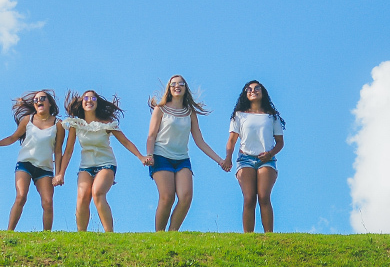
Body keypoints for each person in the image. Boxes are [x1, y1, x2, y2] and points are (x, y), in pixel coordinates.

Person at [54, 91, 152, 232]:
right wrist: (60, 174)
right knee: (82, 197)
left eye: (93, 98)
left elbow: (125, 141)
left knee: (97, 192)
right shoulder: (76, 124)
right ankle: (81, 235)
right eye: (86, 98)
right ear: (82, 103)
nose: (89, 100)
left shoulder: (106, 124)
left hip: (106, 164)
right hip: (85, 166)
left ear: (97, 103)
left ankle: (109, 234)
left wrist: (141, 157)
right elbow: (68, 151)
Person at [145, 75, 228, 232]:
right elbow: (151, 135)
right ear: (169, 89)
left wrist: (220, 160)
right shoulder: (160, 109)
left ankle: (172, 233)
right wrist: (149, 155)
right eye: (173, 84)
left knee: (186, 197)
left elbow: (200, 141)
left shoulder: (190, 113)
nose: (177, 86)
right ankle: (159, 235)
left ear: (185, 88)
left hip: (182, 159)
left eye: (181, 84)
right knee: (167, 196)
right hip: (161, 157)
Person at [0, 90, 64, 231]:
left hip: (45, 168)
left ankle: (47, 236)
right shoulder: (28, 120)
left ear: (50, 103)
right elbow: (13, 137)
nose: (38, 101)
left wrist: (58, 174)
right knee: (21, 196)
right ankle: (9, 233)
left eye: (42, 98)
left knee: (47, 202)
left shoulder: (58, 124)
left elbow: (58, 151)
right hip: (25, 163)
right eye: (35, 100)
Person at [222, 80, 286, 233]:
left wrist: (270, 153)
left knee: (264, 196)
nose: (253, 91)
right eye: (249, 89)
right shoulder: (239, 115)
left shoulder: (272, 116)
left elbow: (280, 142)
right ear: (245, 94)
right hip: (245, 159)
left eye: (257, 88)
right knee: (249, 198)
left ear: (262, 92)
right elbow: (231, 140)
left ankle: (269, 236)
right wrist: (228, 157)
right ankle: (248, 237)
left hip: (267, 160)